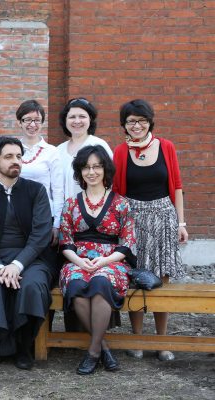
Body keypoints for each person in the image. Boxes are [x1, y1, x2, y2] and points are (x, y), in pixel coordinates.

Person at [0, 136, 55, 370]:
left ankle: (24, 346)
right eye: (8, 157)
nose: (15, 161)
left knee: (33, 285)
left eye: (18, 156)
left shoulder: (36, 191)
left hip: (31, 258)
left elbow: (40, 236)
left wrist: (17, 265)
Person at [113, 99, 188, 361]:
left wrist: (181, 223)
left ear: (150, 122)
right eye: (131, 121)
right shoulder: (120, 152)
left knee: (161, 280)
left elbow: (177, 186)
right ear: (124, 124)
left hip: (164, 219)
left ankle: (161, 342)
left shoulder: (166, 146)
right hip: (133, 221)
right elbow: (116, 191)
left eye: (142, 120)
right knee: (135, 278)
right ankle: (137, 340)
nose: (136, 125)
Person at [59, 145, 136, 375]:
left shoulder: (121, 203)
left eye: (97, 167)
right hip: (77, 260)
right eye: (86, 167)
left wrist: (103, 262)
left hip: (111, 261)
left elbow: (127, 244)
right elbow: (65, 241)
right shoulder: (71, 203)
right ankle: (103, 348)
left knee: (101, 282)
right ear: (80, 172)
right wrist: (79, 261)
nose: (91, 172)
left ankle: (93, 353)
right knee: (76, 284)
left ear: (105, 170)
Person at [17, 100, 64, 246]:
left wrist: (57, 224)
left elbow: (57, 190)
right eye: (27, 120)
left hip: (44, 215)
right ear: (19, 122)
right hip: (16, 215)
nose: (32, 124)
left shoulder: (51, 152)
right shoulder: (12, 149)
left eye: (37, 120)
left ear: (42, 123)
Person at [56, 98, 113, 199]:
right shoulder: (58, 150)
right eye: (72, 117)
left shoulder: (99, 145)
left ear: (90, 119)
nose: (77, 121)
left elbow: (110, 179)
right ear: (65, 120)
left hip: (93, 207)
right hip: (63, 208)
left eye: (82, 116)